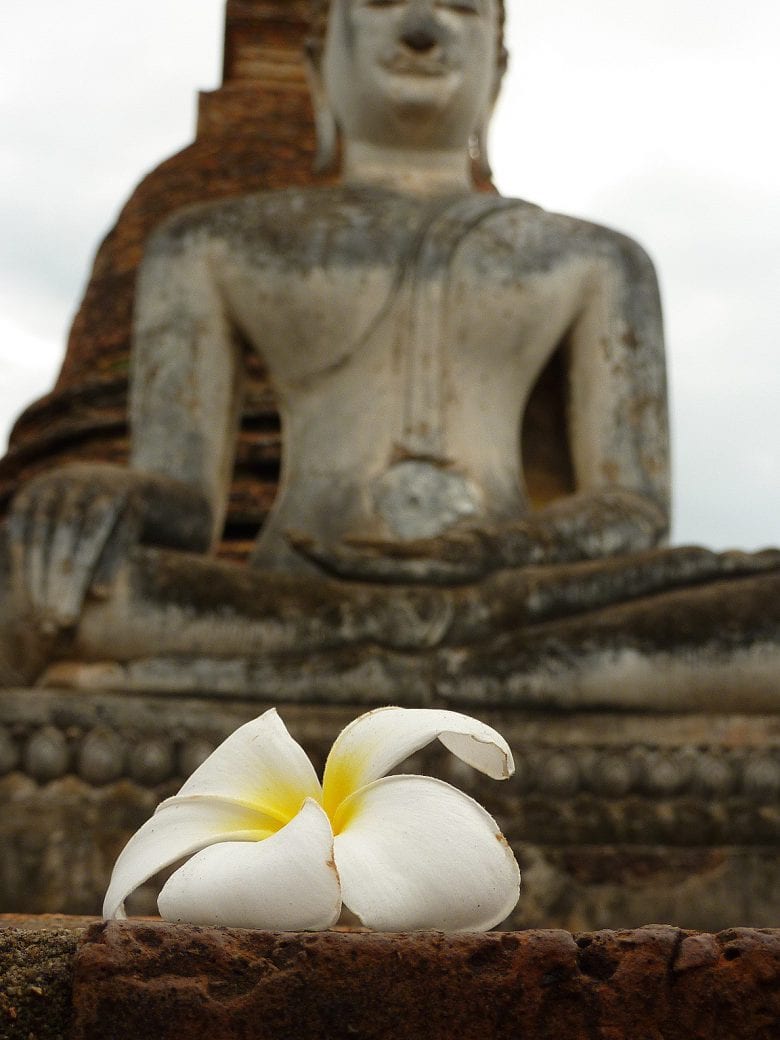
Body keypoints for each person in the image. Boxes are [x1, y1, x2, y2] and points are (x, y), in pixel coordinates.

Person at [1, 0, 778, 703]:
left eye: (460, 9)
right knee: (48, 584)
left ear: (497, 67)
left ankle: (337, 682)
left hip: (510, 603)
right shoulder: (210, 243)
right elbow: (184, 504)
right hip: (299, 599)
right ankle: (452, 686)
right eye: (381, 4)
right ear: (318, 59)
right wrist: (102, 493)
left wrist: (495, 556)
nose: (421, 30)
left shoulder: (594, 261)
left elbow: (633, 510)